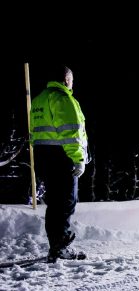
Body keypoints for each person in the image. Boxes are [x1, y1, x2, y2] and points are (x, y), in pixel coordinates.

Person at [30, 65, 88, 262]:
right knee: (65, 202)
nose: (73, 84)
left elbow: (34, 133)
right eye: (72, 80)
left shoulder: (38, 99)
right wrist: (78, 159)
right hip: (61, 157)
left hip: (42, 156)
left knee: (54, 203)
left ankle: (55, 245)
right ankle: (60, 247)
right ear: (66, 79)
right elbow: (71, 134)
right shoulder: (63, 99)